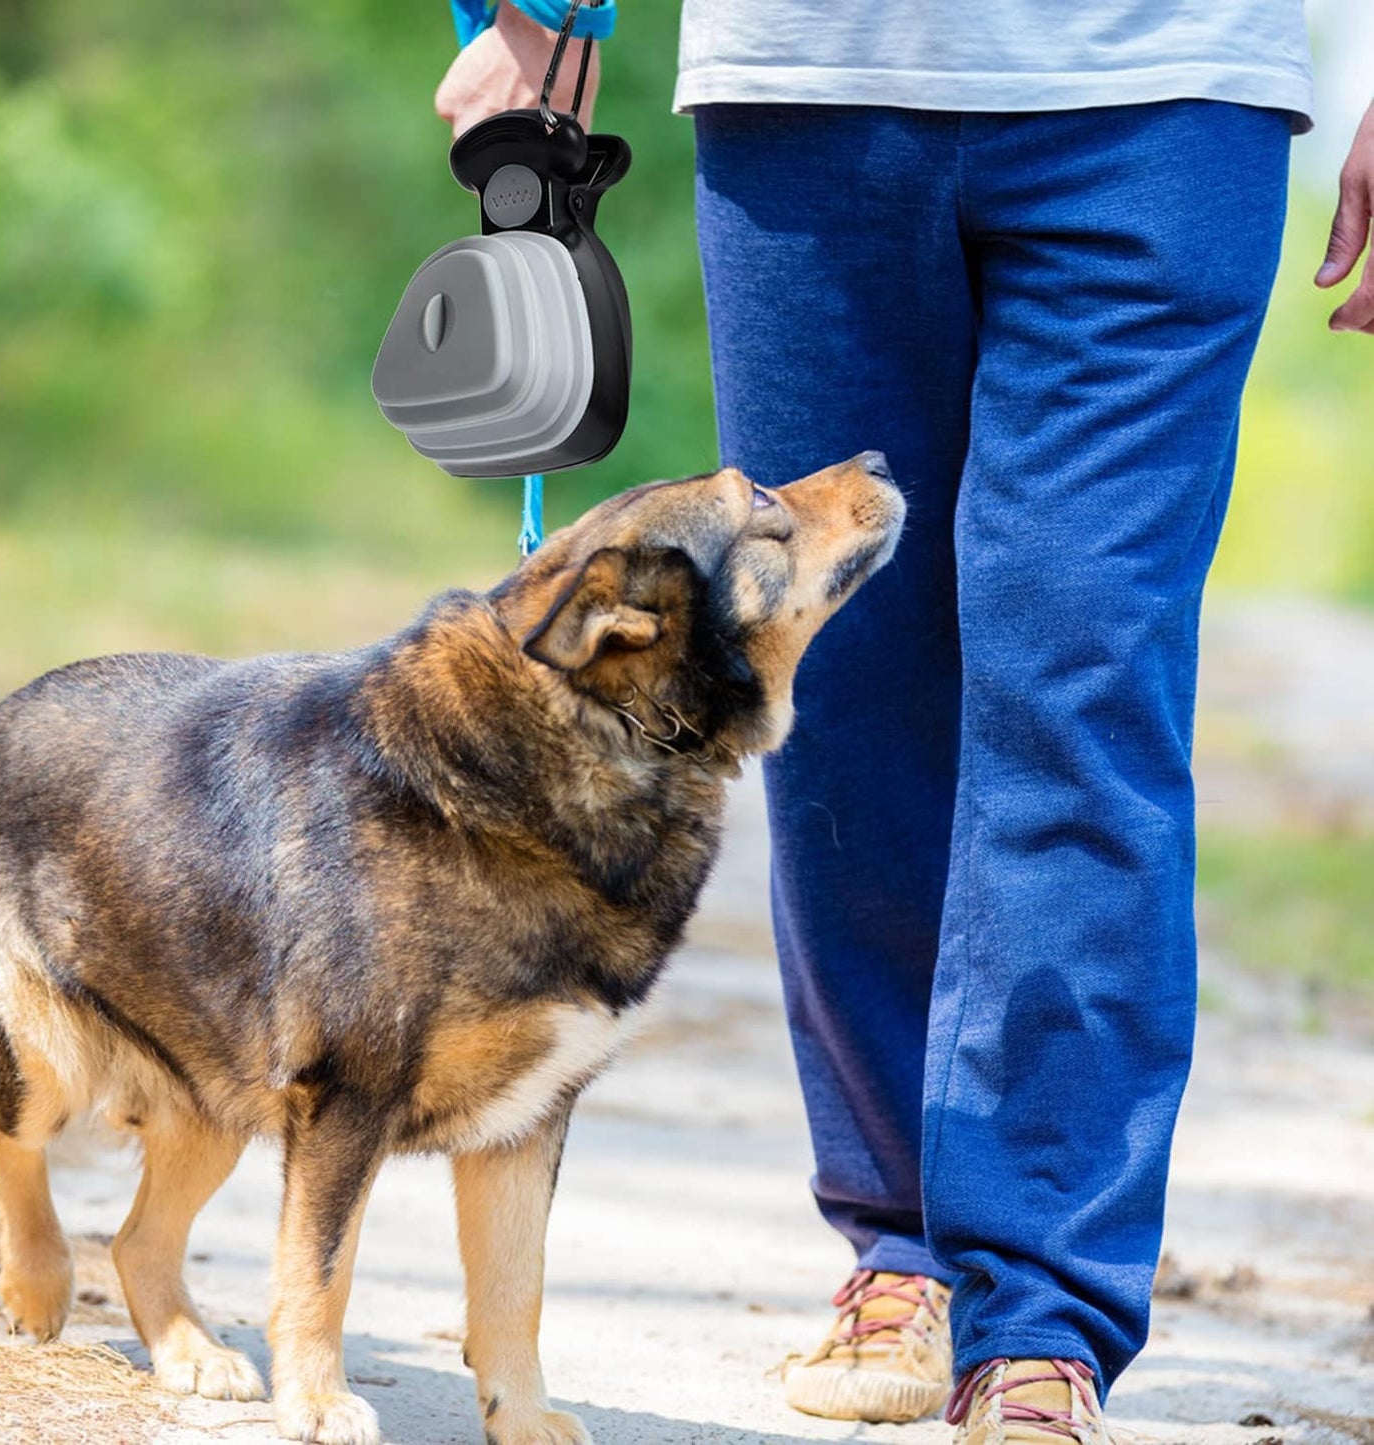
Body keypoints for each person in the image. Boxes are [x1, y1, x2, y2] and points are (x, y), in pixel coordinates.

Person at [436, 5, 1374, 1440]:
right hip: (811, 88)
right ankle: (902, 1241)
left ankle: (1042, 1307)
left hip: (1164, 96)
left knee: (1083, 684)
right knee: (843, 683)